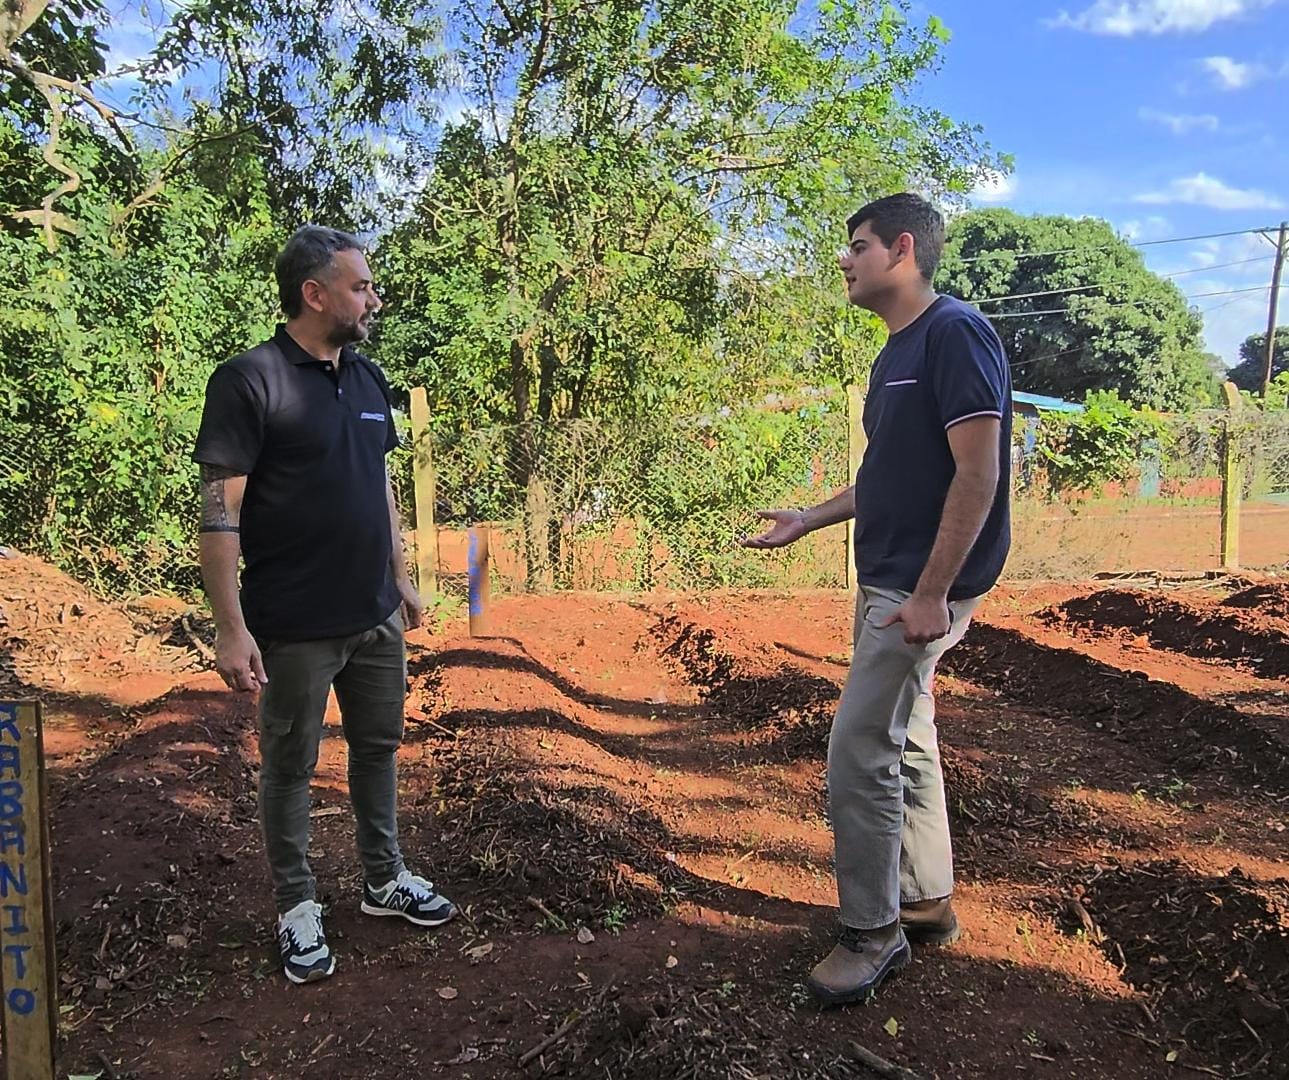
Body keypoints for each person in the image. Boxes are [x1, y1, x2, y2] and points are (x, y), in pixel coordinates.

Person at [741, 193, 1012, 1006]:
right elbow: (890, 475)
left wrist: (932, 595)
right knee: (909, 732)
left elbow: (977, 472)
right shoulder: (895, 351)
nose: (843, 260)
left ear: (900, 249)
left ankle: (870, 933)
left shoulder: (953, 333)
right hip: (895, 576)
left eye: (855, 245)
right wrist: (809, 518)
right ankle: (924, 897)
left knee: (857, 750)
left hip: (917, 588)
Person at [193, 226, 456, 986]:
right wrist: (231, 625)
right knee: (290, 767)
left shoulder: (369, 379)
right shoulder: (249, 381)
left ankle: (383, 881)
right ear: (315, 294)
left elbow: (378, 485)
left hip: (372, 614)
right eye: (361, 287)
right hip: (294, 625)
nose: (374, 297)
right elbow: (219, 512)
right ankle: (297, 907)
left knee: (377, 749)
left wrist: (400, 577)